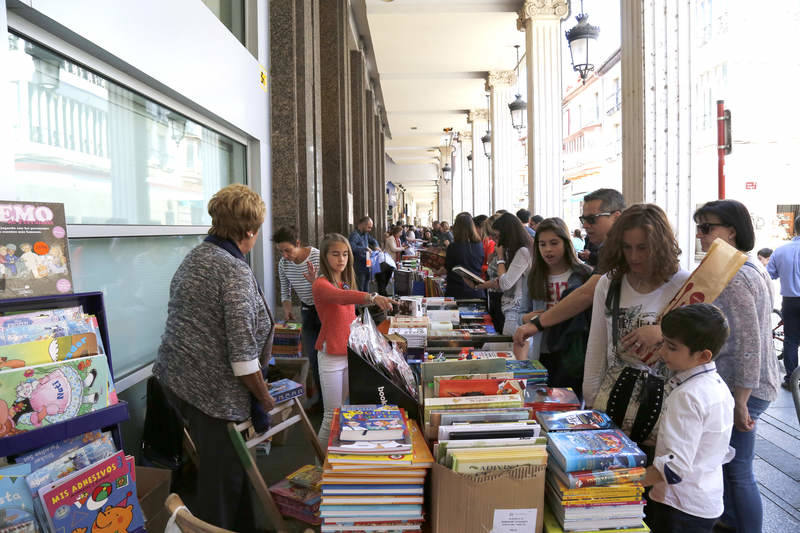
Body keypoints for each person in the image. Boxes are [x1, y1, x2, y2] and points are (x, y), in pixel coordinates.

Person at [153, 184, 273, 530]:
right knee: (223, 481)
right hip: (211, 390)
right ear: (249, 231)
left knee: (230, 470)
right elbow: (242, 354)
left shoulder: (197, 256)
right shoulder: (232, 269)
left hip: (178, 378)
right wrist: (263, 398)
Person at [694, 200, 781, 532]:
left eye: (707, 227)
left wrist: (741, 401)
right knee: (733, 467)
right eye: (699, 227)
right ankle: (731, 523)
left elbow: (747, 342)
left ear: (731, 230)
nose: (700, 235)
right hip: (742, 385)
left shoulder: (733, 275)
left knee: (737, 469)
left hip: (742, 386)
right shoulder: (742, 266)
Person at [583, 204, 690, 446]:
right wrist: (590, 402)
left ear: (660, 245)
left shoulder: (683, 284)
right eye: (627, 247)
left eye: (643, 248)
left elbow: (702, 347)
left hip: (670, 410)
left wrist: (663, 330)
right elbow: (597, 346)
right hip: (615, 403)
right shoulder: (609, 283)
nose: (634, 256)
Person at [643, 304, 734, 533]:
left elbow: (674, 468)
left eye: (672, 347)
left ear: (703, 355)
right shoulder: (718, 387)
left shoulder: (687, 395)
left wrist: (622, 483)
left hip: (678, 505)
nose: (662, 352)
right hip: (705, 500)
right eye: (663, 342)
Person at [513, 188, 626, 347]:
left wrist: (538, 323)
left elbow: (586, 294)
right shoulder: (608, 251)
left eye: (592, 219)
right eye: (583, 219)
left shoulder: (594, 264)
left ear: (616, 217)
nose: (585, 225)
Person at [312, 233, 394, 449]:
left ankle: (333, 461)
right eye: (335, 254)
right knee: (331, 415)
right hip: (330, 355)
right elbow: (341, 297)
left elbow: (348, 309)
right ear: (325, 256)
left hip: (350, 353)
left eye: (345, 254)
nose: (341, 259)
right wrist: (372, 297)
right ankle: (320, 466)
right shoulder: (321, 284)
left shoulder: (344, 282)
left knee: (344, 411)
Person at [523, 218, 593, 393]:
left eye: (554, 243)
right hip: (543, 349)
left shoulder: (584, 274)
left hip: (574, 350)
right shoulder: (534, 276)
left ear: (566, 243)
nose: (548, 249)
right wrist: (527, 318)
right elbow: (522, 314)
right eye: (542, 244)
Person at [472, 213, 533, 359]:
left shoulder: (522, 251)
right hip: (510, 310)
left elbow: (505, 283)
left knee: (513, 359)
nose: (495, 241)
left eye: (498, 237)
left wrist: (500, 259)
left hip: (516, 311)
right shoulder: (514, 251)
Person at [272, 226, 321, 404]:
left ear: (298, 244)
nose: (285, 255)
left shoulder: (317, 256)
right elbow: (285, 291)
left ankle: (326, 402)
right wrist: (287, 309)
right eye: (281, 251)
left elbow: (331, 287)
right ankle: (319, 400)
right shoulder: (283, 264)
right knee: (312, 357)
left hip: (325, 311)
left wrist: (315, 282)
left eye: (288, 250)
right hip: (307, 311)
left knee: (327, 358)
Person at [767, 215, 800, 391]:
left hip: (790, 301)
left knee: (791, 340)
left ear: (795, 229)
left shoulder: (780, 251)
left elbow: (769, 274)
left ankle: (791, 379)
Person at [443, 212, 485, 300]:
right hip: (476, 291)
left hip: (456, 292)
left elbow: (448, 267)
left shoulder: (453, 247)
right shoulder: (480, 245)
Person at [349, 216, 381, 292]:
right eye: (369, 227)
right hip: (359, 266)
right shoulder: (355, 235)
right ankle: (361, 303)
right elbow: (351, 247)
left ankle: (366, 302)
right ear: (362, 225)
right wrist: (364, 248)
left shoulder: (365, 234)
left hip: (367, 263)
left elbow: (373, 240)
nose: (370, 230)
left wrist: (376, 246)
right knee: (360, 287)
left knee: (366, 286)